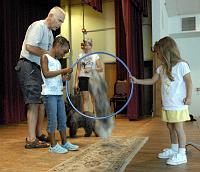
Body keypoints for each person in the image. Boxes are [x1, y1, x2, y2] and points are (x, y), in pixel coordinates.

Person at [130, 36, 192, 166]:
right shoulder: (161, 68)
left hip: (178, 105)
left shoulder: (182, 65)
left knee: (178, 127)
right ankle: (174, 148)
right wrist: (137, 81)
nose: (157, 55)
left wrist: (189, 97)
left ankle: (182, 153)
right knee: (170, 127)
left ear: (166, 51)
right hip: (168, 105)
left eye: (158, 53)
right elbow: (152, 80)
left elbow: (189, 81)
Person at [15, 6, 65, 148]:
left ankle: (38, 133)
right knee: (33, 103)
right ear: (51, 15)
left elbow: (49, 54)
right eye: (59, 20)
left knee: (41, 102)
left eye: (62, 22)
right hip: (28, 66)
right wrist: (47, 54)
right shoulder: (39, 26)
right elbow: (30, 47)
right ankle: (31, 140)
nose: (60, 24)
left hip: (37, 68)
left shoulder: (49, 33)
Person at [41, 36, 79, 153]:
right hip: (49, 94)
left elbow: (58, 77)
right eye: (64, 51)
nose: (64, 55)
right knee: (53, 120)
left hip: (58, 94)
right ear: (57, 46)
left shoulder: (57, 62)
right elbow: (46, 74)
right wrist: (63, 71)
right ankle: (53, 146)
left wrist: (64, 78)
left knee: (62, 119)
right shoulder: (45, 57)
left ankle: (65, 142)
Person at [74, 38, 103, 113]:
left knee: (94, 99)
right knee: (85, 99)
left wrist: (91, 70)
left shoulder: (95, 55)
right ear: (83, 45)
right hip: (83, 78)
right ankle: (87, 119)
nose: (87, 47)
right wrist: (76, 83)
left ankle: (96, 118)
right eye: (85, 45)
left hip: (93, 78)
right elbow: (78, 70)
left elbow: (100, 68)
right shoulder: (80, 55)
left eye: (88, 45)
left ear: (91, 45)